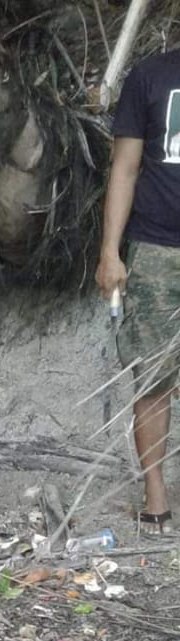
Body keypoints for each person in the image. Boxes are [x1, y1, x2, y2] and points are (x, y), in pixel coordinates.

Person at [96, 47, 180, 534]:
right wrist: (111, 251)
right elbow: (124, 169)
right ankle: (155, 493)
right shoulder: (150, 76)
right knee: (152, 378)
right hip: (157, 250)